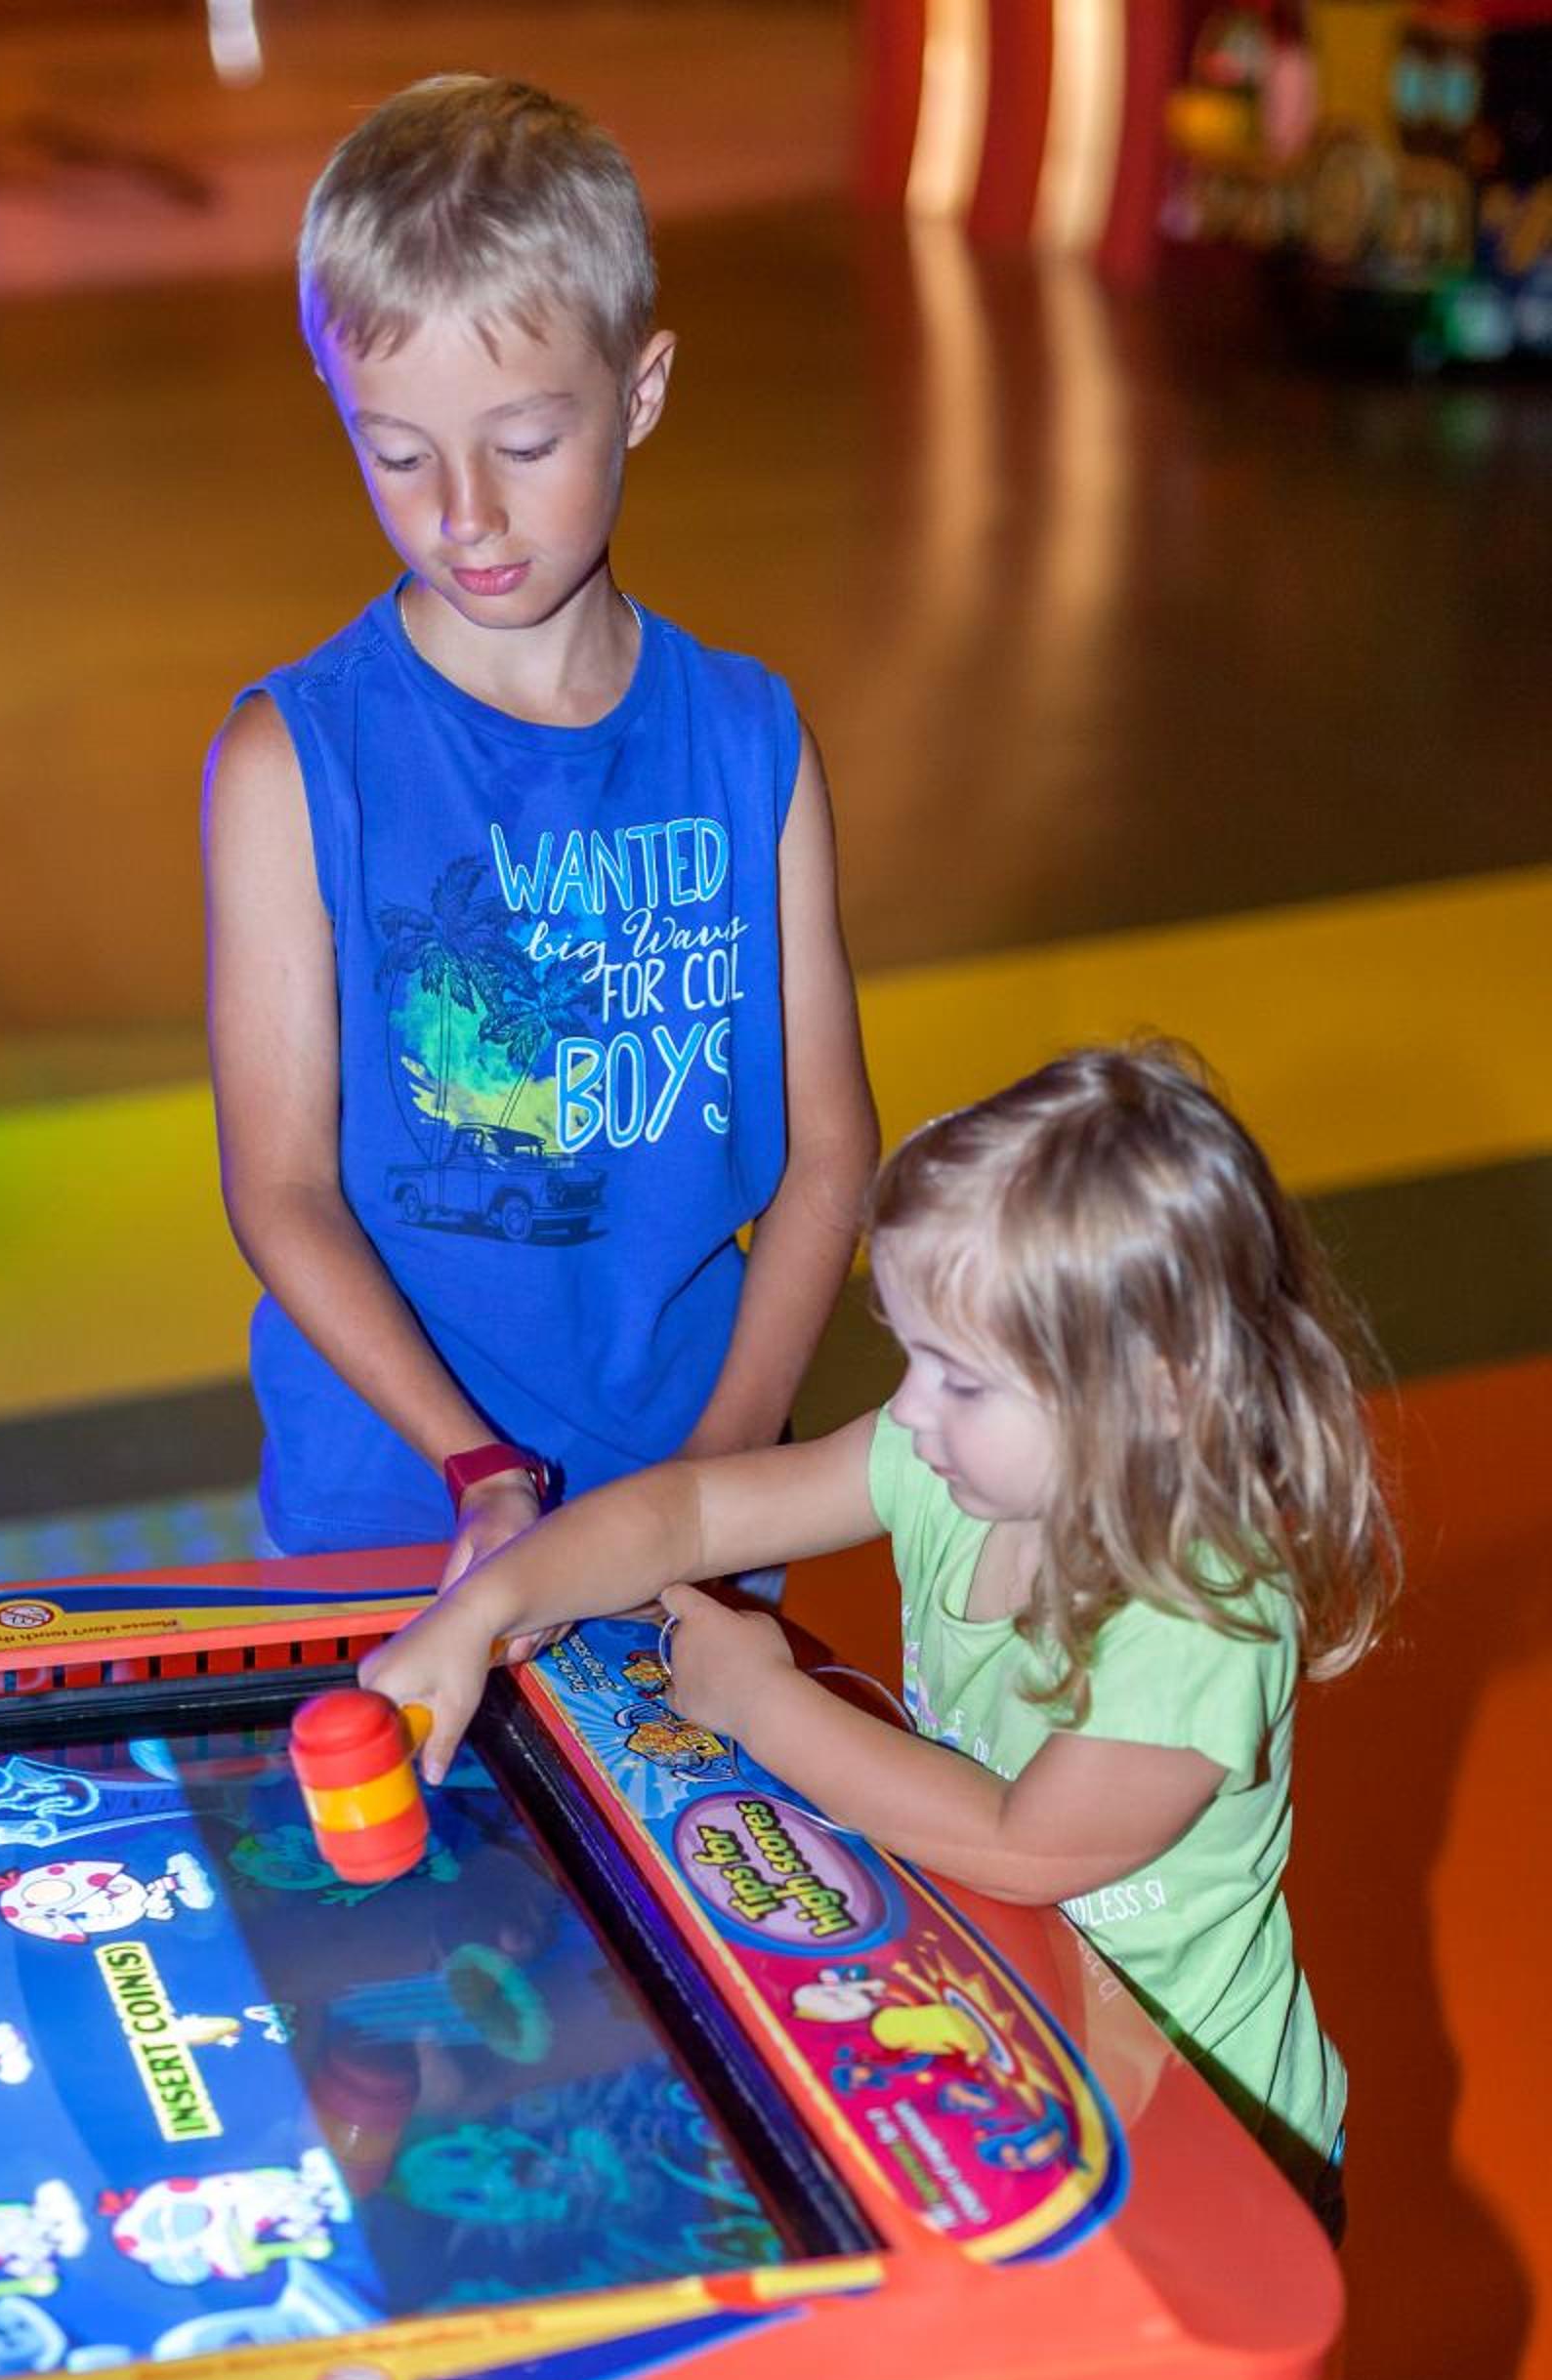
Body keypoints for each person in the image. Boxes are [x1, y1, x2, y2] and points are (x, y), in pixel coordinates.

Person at [364, 1039, 1398, 2223]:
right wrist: (490, 1604)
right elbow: (694, 1512)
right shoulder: (943, 1458)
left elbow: (1026, 1844)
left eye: (960, 1379)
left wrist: (759, 1701)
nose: (906, 1408)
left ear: (1151, 1394)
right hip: (1019, 2059)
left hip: (1202, 2148)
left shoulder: (1200, 1606)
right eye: (911, 1356)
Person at [204, 74, 878, 1586]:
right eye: (398, 454)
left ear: (640, 392)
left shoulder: (749, 741)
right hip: (397, 1513)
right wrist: (476, 1464)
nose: (465, 515)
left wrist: (709, 1489)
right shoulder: (288, 765)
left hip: (696, 1498)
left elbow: (829, 1152)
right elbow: (281, 1190)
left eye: (521, 444)